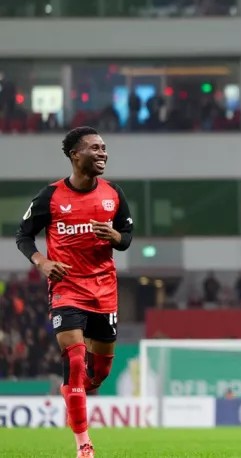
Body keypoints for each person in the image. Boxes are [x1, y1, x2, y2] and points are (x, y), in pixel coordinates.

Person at [15, 126, 133, 458]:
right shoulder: (50, 197)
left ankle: (74, 395)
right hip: (67, 290)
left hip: (104, 291)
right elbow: (23, 236)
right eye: (95, 148)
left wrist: (115, 238)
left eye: (104, 148)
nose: (103, 153)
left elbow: (126, 236)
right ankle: (83, 443)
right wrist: (41, 262)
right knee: (75, 358)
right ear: (75, 155)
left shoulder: (113, 194)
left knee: (99, 373)